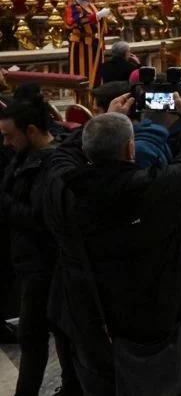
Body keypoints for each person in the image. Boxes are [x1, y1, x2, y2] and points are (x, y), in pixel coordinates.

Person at [43, 96, 181, 395]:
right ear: (130, 149)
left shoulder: (62, 188)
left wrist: (101, 121)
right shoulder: (154, 191)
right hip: (153, 317)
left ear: (86, 150)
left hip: (91, 318)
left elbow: (61, 157)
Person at [0, 92, 80, 396]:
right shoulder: (24, 154)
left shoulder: (54, 165)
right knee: (50, 336)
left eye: (9, 136)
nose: (6, 142)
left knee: (41, 339)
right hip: (30, 263)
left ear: (31, 131)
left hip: (47, 267)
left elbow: (39, 217)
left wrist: (3, 204)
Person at [64, 0, 111, 88]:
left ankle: (94, 104)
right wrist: (97, 16)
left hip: (95, 46)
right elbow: (74, 22)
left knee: (96, 79)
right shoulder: (73, 7)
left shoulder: (91, 6)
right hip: (81, 47)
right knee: (83, 78)